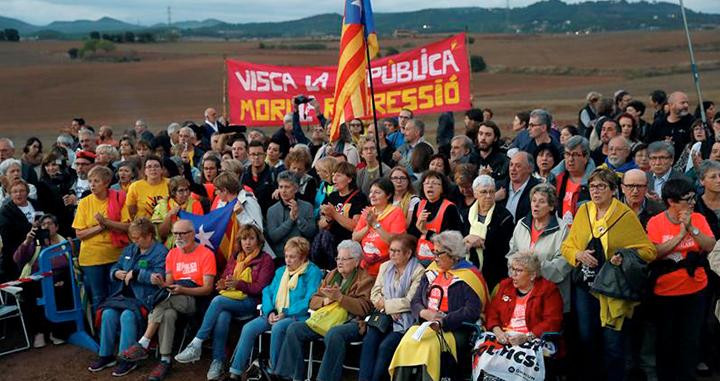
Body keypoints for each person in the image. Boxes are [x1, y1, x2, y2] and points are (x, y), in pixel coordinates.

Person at [561, 167, 656, 381]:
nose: (595, 191)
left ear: (613, 190)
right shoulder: (583, 212)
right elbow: (567, 246)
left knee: (613, 343)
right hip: (586, 287)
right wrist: (579, 254)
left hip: (613, 289)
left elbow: (649, 251)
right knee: (587, 338)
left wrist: (622, 255)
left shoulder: (625, 215)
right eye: (592, 186)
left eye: (601, 186)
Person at [119, 219, 216, 381]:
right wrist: (161, 283)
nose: (177, 237)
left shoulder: (206, 254)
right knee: (168, 313)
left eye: (182, 233)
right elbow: (168, 285)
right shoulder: (172, 254)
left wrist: (183, 289)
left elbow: (207, 289)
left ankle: (144, 342)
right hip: (173, 298)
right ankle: (165, 360)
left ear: (192, 234)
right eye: (175, 233)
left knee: (162, 302)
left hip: (195, 300)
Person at [174, 224, 274, 380]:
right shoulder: (235, 257)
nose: (247, 243)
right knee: (222, 314)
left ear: (259, 241)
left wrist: (238, 284)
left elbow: (261, 288)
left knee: (218, 301)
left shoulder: (265, 259)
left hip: (252, 302)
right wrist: (222, 283)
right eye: (244, 239)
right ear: (240, 241)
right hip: (231, 300)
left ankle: (197, 342)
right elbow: (225, 277)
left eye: (251, 239)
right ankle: (218, 361)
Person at [389, 231, 488, 381]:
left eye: (438, 253)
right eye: (433, 252)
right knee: (407, 342)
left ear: (452, 255)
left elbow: (472, 311)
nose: (434, 257)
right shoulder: (431, 271)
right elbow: (415, 301)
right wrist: (423, 313)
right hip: (426, 323)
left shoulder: (469, 275)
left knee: (430, 347)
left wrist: (443, 321)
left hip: (455, 328)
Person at [274, 240, 374, 381]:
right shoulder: (332, 275)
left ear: (357, 261)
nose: (339, 262)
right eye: (338, 258)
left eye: (344, 259)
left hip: (351, 323)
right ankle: (294, 376)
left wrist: (340, 298)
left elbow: (364, 308)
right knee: (294, 329)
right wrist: (325, 301)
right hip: (325, 319)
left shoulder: (365, 279)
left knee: (334, 334)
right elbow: (313, 300)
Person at [646, 178, 715, 381]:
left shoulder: (699, 218)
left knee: (690, 341)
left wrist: (692, 228)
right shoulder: (656, 222)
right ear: (671, 202)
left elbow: (709, 245)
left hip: (695, 288)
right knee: (666, 341)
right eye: (687, 199)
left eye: (694, 198)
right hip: (665, 291)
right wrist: (679, 237)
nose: (693, 202)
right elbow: (654, 252)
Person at [227, 237, 322, 379]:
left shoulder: (312, 272)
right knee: (249, 328)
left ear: (303, 258)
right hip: (275, 312)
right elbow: (267, 291)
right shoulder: (281, 271)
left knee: (278, 327)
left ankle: (274, 373)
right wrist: (270, 311)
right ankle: (235, 372)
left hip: (297, 316)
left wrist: (286, 312)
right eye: (286, 256)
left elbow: (309, 299)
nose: (288, 260)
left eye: (292, 257)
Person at [87, 218, 167, 376]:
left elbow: (160, 278)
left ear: (150, 235)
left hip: (145, 298)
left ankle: (128, 359)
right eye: (133, 238)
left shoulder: (161, 252)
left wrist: (137, 274)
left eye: (138, 239)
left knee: (127, 316)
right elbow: (116, 266)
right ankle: (106, 355)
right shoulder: (130, 250)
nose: (135, 242)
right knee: (108, 313)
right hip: (122, 296)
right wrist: (115, 273)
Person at [359, 234, 424, 381]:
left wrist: (388, 306)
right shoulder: (385, 266)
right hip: (383, 317)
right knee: (369, 342)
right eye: (391, 250)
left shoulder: (418, 271)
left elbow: (410, 301)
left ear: (408, 253)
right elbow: (374, 294)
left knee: (385, 347)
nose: (392, 254)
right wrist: (388, 309)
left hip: (405, 320)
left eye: (397, 251)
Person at [72, 166, 130, 314]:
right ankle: (101, 333)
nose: (92, 184)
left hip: (116, 257)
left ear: (106, 183)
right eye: (90, 181)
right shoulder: (84, 202)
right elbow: (79, 234)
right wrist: (100, 227)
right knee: (98, 297)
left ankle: (116, 330)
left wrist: (106, 222)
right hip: (92, 259)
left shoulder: (119, 197)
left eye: (96, 181)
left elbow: (128, 226)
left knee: (117, 295)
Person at [507, 183, 571, 311]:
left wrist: (532, 269)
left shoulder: (563, 229)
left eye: (541, 202)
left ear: (551, 206)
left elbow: (563, 264)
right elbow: (511, 254)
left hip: (550, 298)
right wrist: (517, 272)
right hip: (522, 295)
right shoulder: (521, 224)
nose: (535, 205)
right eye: (534, 200)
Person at [13, 213, 70, 348]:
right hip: (37, 279)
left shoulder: (64, 243)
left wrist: (62, 278)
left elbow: (70, 264)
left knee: (61, 288)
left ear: (56, 227)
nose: (46, 226)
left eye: (50, 224)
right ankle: (39, 333)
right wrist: (27, 241)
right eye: (43, 224)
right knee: (29, 292)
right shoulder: (35, 243)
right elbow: (17, 259)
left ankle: (57, 332)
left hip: (59, 277)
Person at [486, 252, 563, 345]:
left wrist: (527, 337)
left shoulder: (548, 290)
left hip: (534, 340)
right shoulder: (505, 285)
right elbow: (492, 313)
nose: (513, 274)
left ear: (532, 275)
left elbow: (552, 322)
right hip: (503, 338)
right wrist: (498, 332)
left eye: (519, 270)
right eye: (512, 269)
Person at [462, 175, 515, 291]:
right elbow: (458, 241)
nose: (488, 196)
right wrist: (466, 242)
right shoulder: (465, 215)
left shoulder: (505, 217)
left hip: (495, 274)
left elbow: (505, 248)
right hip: (467, 273)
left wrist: (482, 242)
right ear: (475, 194)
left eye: (491, 192)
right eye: (483, 192)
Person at [352, 177, 407, 276]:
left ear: (388, 195)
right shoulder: (368, 211)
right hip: (365, 267)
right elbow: (355, 237)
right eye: (371, 192)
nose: (372, 195)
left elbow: (394, 241)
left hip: (386, 267)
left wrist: (375, 224)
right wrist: (367, 227)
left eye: (377, 192)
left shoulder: (396, 212)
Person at [407, 171, 463, 263]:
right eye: (427, 183)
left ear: (442, 188)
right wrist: (417, 227)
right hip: (418, 256)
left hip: (441, 259)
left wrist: (425, 231)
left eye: (434, 183)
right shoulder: (419, 205)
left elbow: (451, 242)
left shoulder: (449, 208)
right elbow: (412, 235)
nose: (430, 186)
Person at [318, 161, 369, 250]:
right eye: (333, 175)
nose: (334, 179)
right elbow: (320, 224)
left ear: (349, 179)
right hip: (331, 243)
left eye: (338, 175)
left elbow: (355, 226)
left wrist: (334, 214)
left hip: (349, 244)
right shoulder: (332, 196)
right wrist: (328, 219)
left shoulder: (359, 197)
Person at [267, 171, 317, 261]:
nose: (283, 190)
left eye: (287, 187)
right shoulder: (272, 210)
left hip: (303, 257)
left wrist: (297, 216)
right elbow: (273, 237)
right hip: (281, 257)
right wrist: (290, 220)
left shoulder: (307, 206)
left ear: (295, 188)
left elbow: (311, 232)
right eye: (281, 187)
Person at [0, 179, 40, 282]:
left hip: (37, 250)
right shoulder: (5, 211)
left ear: (27, 192)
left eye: (22, 191)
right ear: (10, 194)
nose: (19, 194)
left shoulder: (35, 204)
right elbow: (7, 234)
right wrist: (30, 227)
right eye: (15, 191)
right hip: (16, 254)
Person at [551, 135, 594, 227]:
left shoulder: (595, 182)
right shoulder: (554, 179)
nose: (570, 159)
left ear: (585, 157)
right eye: (567, 154)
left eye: (575, 155)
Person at [152, 176, 204, 249]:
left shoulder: (195, 204)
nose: (186, 194)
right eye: (181, 191)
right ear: (173, 192)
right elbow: (161, 234)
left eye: (187, 190)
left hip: (190, 245)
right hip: (168, 247)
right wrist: (169, 216)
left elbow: (198, 229)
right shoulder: (162, 205)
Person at [648, 91, 694, 162]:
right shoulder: (659, 124)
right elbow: (649, 143)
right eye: (682, 103)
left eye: (687, 103)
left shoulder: (692, 123)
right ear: (671, 105)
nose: (686, 105)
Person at [498, 151, 540, 221]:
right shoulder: (499, 186)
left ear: (529, 169)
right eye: (511, 165)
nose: (512, 169)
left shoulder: (537, 189)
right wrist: (493, 198)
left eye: (518, 166)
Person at [242, 140, 277, 212]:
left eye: (259, 154)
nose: (256, 157)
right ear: (248, 156)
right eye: (253, 154)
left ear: (265, 155)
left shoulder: (274, 174)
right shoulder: (243, 175)